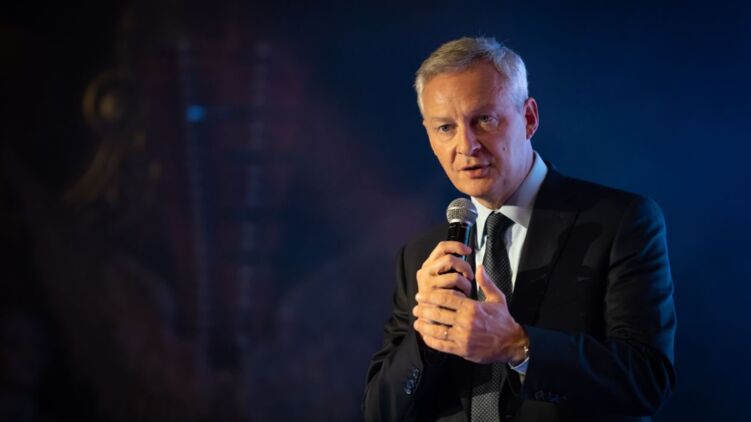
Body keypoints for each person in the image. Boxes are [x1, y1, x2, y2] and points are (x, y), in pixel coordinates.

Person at [362, 37, 676, 422]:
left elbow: (646, 381)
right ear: (429, 137)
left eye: (484, 120)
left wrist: (519, 346)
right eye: (445, 127)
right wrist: (427, 337)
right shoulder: (420, 256)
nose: (466, 145)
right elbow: (380, 413)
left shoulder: (622, 221)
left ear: (528, 118)